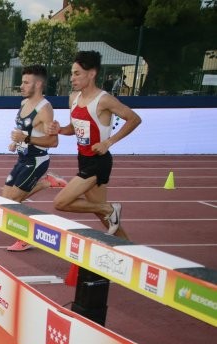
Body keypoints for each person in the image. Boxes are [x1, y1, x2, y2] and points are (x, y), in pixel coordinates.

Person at [46, 50, 141, 239]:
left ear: (92, 74)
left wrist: (108, 141)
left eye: (77, 73)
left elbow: (134, 119)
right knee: (105, 217)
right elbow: (75, 127)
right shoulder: (73, 98)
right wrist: (60, 129)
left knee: (61, 202)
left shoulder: (104, 99)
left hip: (99, 162)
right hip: (83, 159)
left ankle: (109, 207)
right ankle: (130, 251)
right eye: (72, 73)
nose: (72, 78)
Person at [1, 65, 66, 252]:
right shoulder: (23, 104)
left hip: (37, 160)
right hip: (23, 158)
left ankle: (25, 238)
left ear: (38, 84)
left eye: (26, 82)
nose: (21, 86)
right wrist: (17, 143)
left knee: (12, 200)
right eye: (22, 82)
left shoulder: (45, 109)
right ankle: (47, 183)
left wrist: (26, 139)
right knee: (5, 198)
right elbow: (24, 131)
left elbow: (53, 141)